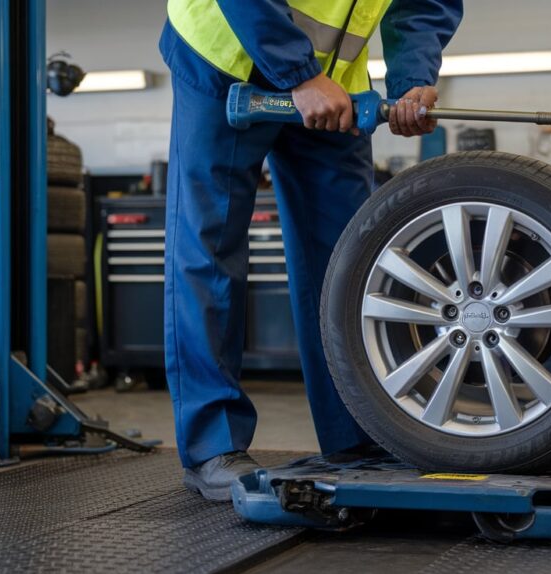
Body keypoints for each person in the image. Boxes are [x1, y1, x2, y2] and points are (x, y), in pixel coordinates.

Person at [160, 0, 463, 500]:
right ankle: (211, 445)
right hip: (225, 53)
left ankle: (357, 437)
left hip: (334, 81)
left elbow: (425, 3)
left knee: (346, 262)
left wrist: (412, 78)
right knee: (210, 252)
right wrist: (298, 74)